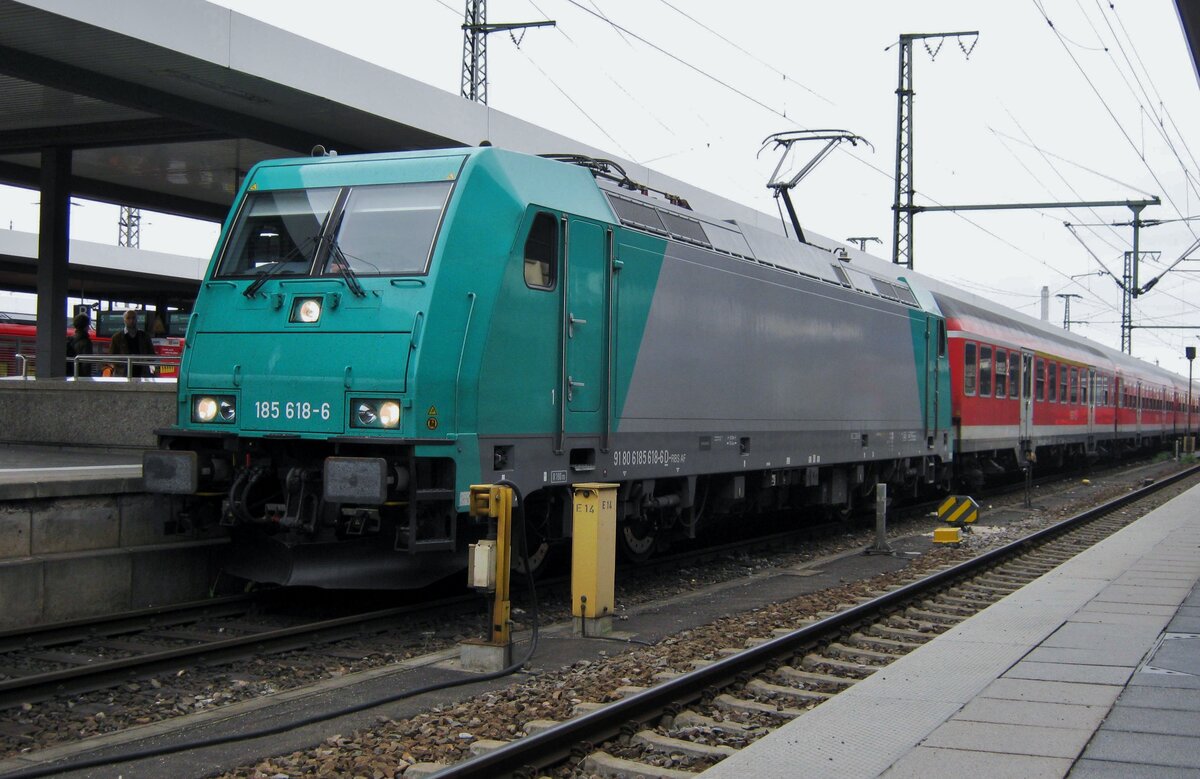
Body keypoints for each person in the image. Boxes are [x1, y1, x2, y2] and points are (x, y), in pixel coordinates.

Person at [109, 310, 155, 377]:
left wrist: (143, 361)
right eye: (128, 318)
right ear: (124, 320)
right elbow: (111, 356)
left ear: (137, 320)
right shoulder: (116, 337)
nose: (131, 320)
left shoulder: (145, 336)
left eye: (133, 318)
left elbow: (152, 355)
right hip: (123, 374)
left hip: (142, 373)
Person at [66, 312, 94, 377]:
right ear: (86, 326)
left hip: (68, 375)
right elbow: (86, 364)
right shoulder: (86, 342)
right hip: (79, 376)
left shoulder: (69, 340)